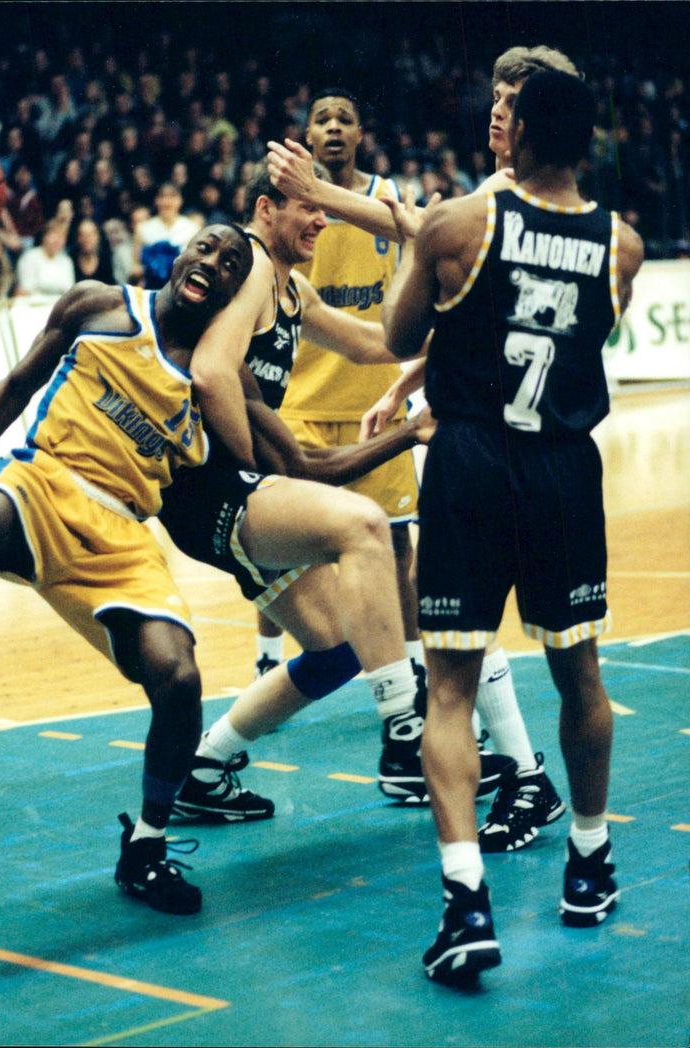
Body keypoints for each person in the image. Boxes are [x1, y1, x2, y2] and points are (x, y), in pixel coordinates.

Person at [0, 224, 255, 916]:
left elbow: (277, 464)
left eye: (231, 262)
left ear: (236, 292)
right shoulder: (100, 306)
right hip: (42, 478)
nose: (211, 261)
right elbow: (15, 383)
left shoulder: (222, 380)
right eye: (205, 246)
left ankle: (146, 848)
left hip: (121, 531)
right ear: (179, 256)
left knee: (179, 679)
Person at [266, 52, 574, 853]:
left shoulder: (509, 204)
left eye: (511, 101)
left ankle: (532, 790)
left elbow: (416, 231)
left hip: (508, 441)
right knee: (463, 624)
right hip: (504, 435)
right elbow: (467, 316)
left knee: (462, 624)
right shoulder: (541, 208)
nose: (494, 112)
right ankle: (531, 782)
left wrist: (320, 192)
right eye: (495, 96)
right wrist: (405, 391)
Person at [381, 70, 643, 983]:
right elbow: (585, 343)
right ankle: (590, 861)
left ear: (521, 130)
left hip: (472, 461)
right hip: (563, 466)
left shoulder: (460, 225)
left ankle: (465, 904)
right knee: (581, 674)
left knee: (448, 688)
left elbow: (394, 336)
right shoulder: (624, 245)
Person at [160, 162, 430, 820]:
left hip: (215, 499)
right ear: (264, 209)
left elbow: (374, 345)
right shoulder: (250, 264)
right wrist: (259, 471)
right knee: (363, 525)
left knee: (336, 648)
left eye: (324, 207)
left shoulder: (291, 291)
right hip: (214, 488)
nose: (321, 218)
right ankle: (405, 729)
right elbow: (213, 374)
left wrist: (439, 315)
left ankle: (204, 767)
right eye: (307, 206)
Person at [254, 89, 423, 710]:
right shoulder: (292, 216)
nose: (331, 127)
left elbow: (415, 250)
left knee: (396, 545)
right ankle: (268, 660)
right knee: (279, 547)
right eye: (320, 119)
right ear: (306, 134)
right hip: (297, 400)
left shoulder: (384, 203)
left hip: (373, 401)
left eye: (343, 119)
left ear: (360, 133)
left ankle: (410, 671)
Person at [130, 182, 201, 289]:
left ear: (180, 200)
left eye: (172, 197)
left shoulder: (192, 229)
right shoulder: (143, 229)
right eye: (162, 197)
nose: (166, 202)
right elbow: (135, 266)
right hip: (151, 287)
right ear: (156, 200)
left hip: (181, 287)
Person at [15, 220, 75, 297]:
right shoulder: (29, 257)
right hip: (33, 304)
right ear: (44, 236)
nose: (57, 240)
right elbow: (26, 290)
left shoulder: (66, 260)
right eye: (54, 235)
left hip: (60, 305)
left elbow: (69, 291)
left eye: (62, 237)